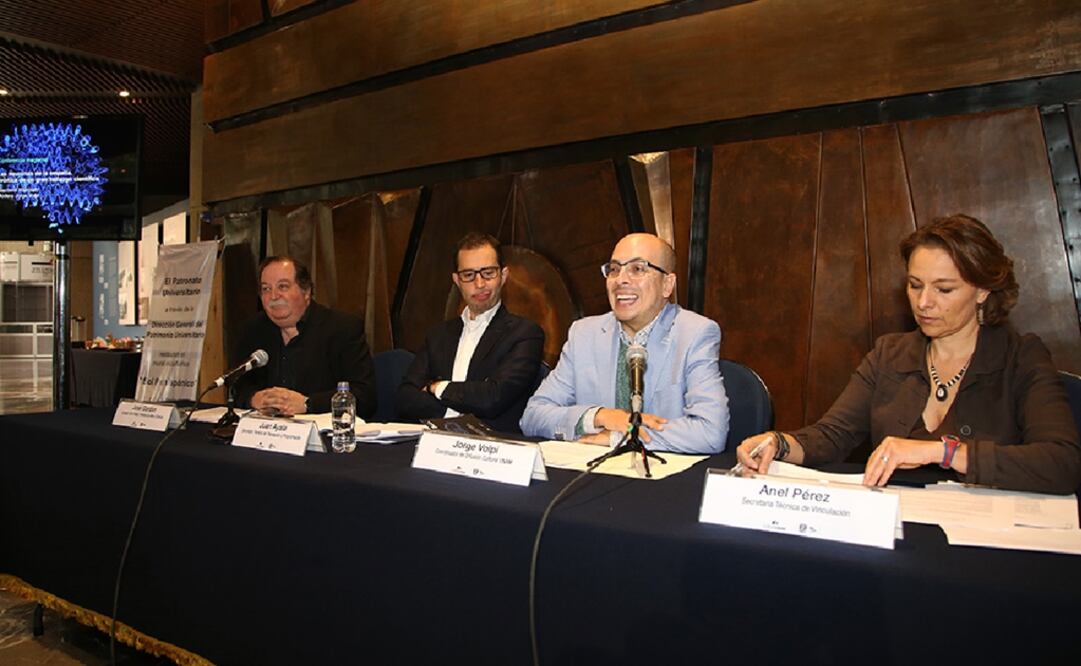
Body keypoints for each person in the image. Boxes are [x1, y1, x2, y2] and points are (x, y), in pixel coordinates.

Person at [736, 214, 1081, 494]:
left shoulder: (1022, 357)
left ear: (983, 291)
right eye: (915, 285)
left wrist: (944, 452)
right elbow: (832, 436)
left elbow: (1062, 464)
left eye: (944, 289)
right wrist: (778, 443)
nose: (924, 302)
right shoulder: (890, 353)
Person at [520, 233, 728, 454]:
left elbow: (710, 432)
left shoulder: (695, 333)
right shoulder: (584, 334)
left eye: (638, 269)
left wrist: (621, 436)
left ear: (667, 285)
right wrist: (598, 416)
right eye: (614, 269)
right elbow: (533, 416)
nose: (621, 280)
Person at [397, 233, 544, 433]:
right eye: (468, 275)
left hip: (493, 448)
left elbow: (493, 399)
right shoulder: (438, 335)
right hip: (436, 443)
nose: (480, 284)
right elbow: (405, 399)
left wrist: (436, 388)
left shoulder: (525, 333)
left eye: (488, 273)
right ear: (457, 280)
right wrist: (454, 413)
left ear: (504, 275)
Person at [232, 255, 376, 417]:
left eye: (283, 287)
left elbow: (364, 395)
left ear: (306, 291)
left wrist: (308, 403)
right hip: (266, 432)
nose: (273, 296)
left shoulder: (342, 329)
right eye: (266, 289)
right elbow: (236, 386)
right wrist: (254, 399)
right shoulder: (253, 330)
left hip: (324, 435)